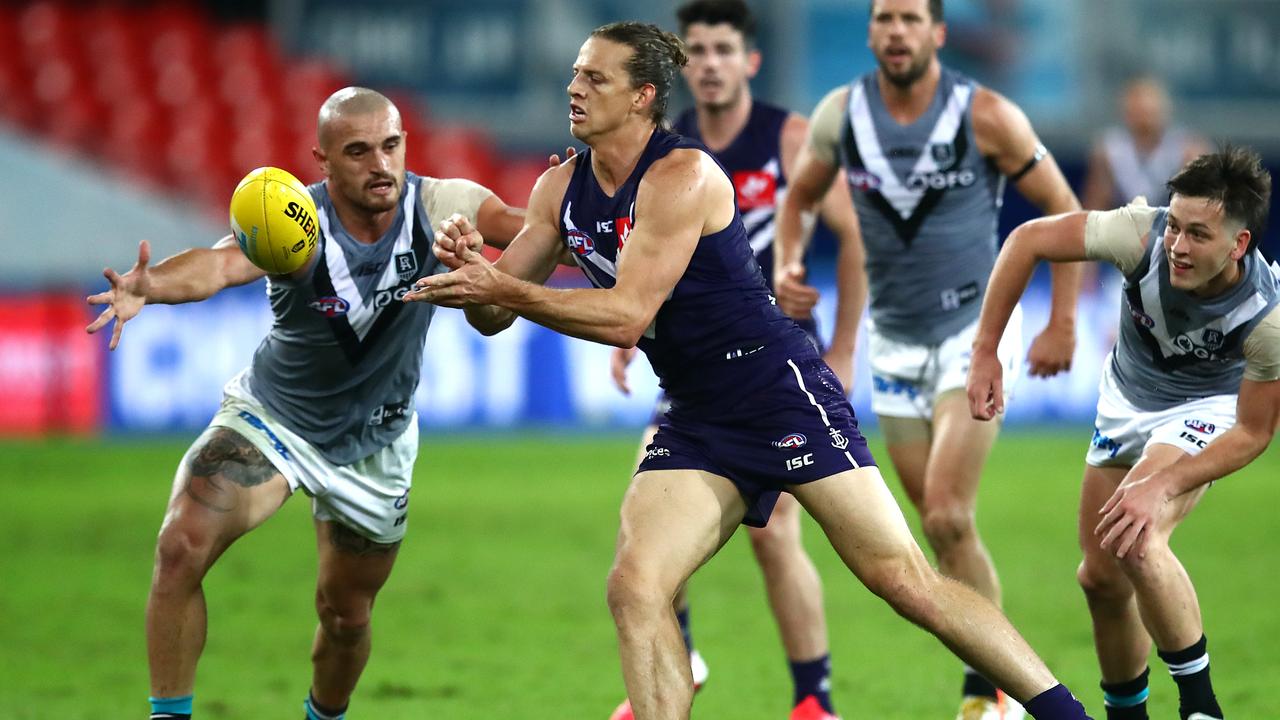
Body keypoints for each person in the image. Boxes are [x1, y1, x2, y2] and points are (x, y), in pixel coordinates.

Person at [405, 20, 1091, 720]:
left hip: (777, 391)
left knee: (904, 580)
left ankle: (1063, 712)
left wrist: (504, 288)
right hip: (698, 415)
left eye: (594, 78)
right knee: (635, 586)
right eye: (576, 74)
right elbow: (494, 316)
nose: (573, 88)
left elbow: (627, 316)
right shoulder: (560, 189)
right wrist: (476, 275)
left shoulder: (682, 175)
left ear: (643, 96)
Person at [85, 87, 525, 720]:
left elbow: (534, 231)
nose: (381, 165)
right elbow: (217, 265)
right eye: (358, 151)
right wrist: (149, 287)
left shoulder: (441, 205)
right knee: (181, 543)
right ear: (322, 159)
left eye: (391, 146)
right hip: (276, 420)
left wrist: (595, 228)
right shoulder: (293, 221)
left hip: (378, 443)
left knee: (346, 615)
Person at [774, 2, 1083, 716]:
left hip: (971, 337)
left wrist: (1062, 321)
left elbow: (1065, 210)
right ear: (872, 31)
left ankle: (989, 694)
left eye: (911, 18)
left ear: (939, 33)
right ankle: (995, 676)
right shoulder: (841, 115)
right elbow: (799, 202)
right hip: (894, 342)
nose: (896, 31)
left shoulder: (986, 117)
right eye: (884, 18)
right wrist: (790, 264)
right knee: (945, 528)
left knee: (945, 514)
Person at [605, 3, 864, 719]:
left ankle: (813, 699)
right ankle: (678, 661)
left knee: (777, 535)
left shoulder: (787, 137)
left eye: (725, 49)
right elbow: (645, 258)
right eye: (700, 50)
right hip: (695, 371)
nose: (712, 62)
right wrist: (634, 333)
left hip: (773, 371)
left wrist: (841, 348)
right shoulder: (666, 153)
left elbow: (851, 236)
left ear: (750, 61)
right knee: (643, 515)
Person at [967, 146, 1277, 720]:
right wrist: (986, 350)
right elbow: (1027, 240)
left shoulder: (1267, 317)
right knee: (1100, 579)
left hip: (1206, 407)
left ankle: (1201, 707)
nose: (1179, 247)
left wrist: (1161, 486)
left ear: (1239, 244)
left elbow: (1256, 433)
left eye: (1199, 235)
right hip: (1125, 400)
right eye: (1176, 228)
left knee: (1137, 533)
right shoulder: (1138, 234)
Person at [1081, 77, 1208, 212]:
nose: (1144, 118)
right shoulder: (1109, 152)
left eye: (1149, 111)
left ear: (1164, 110)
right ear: (1126, 113)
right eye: (1137, 111)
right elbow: (1094, 208)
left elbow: (1202, 207)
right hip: (1123, 226)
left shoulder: (1187, 149)